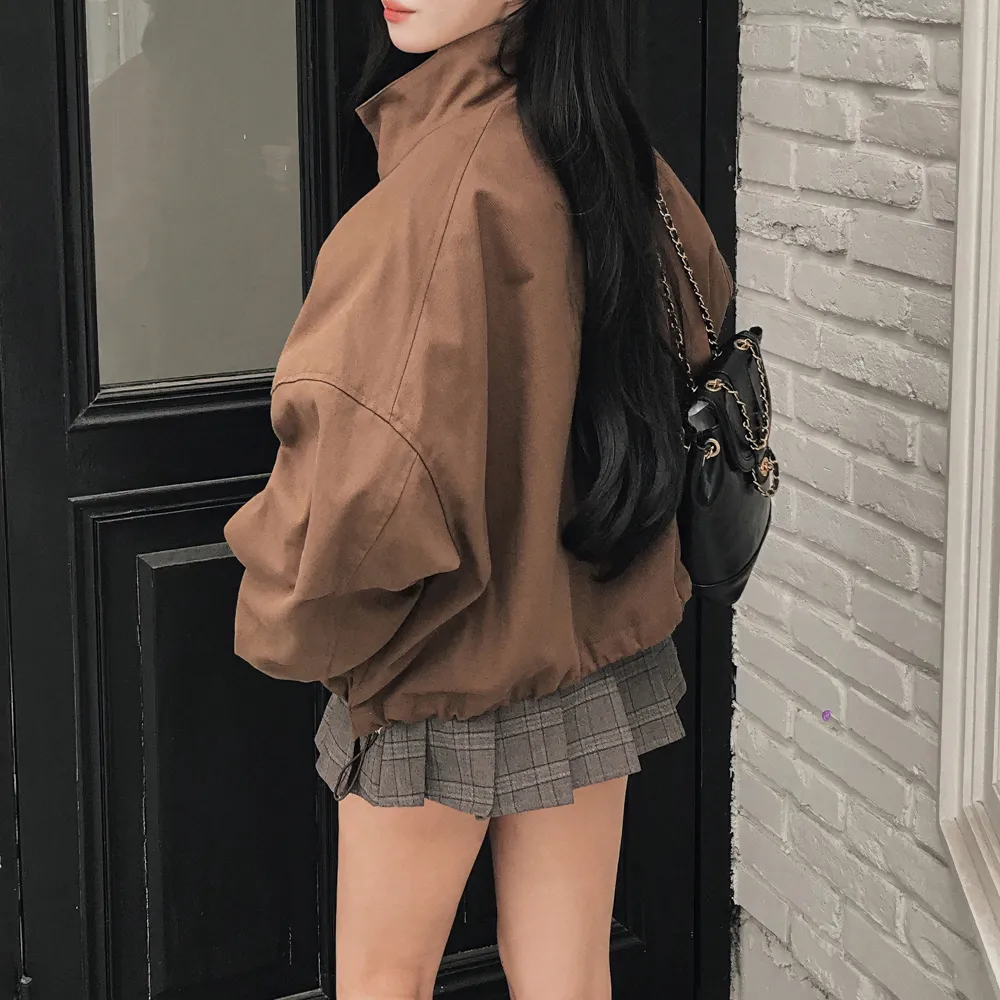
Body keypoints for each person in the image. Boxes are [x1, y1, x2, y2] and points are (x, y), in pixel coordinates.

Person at [224, 0, 734, 997]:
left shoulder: (429, 202)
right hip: (588, 630)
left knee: (384, 979)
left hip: (440, 664)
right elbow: (702, 321)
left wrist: (287, 613)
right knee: (566, 973)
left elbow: (353, 505)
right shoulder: (608, 147)